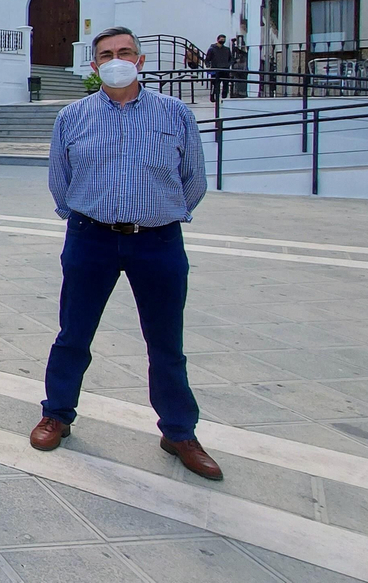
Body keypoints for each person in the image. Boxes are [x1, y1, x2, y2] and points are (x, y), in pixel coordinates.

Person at [33, 27, 222, 481]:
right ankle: (56, 413)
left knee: (165, 343)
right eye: (105, 55)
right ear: (94, 65)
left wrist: (160, 213)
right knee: (73, 334)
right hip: (90, 238)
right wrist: (84, 215)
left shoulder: (175, 114)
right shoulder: (72, 117)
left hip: (156, 241)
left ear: (139, 60)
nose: (116, 59)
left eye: (124, 52)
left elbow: (193, 179)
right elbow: (60, 178)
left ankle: (179, 431)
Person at [204, 34, 233, 103]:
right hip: (215, 69)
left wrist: (228, 64)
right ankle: (213, 97)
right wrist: (208, 66)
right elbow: (207, 59)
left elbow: (231, 59)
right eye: (221, 39)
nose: (222, 41)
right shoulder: (212, 49)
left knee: (225, 84)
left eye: (224, 39)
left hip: (225, 70)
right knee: (215, 85)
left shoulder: (227, 50)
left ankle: (224, 98)